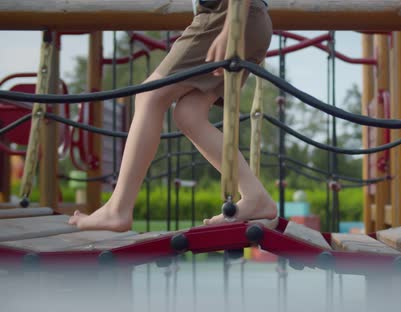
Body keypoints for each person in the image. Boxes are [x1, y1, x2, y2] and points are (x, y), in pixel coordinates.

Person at [68, 0, 277, 231]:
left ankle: (118, 209)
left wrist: (230, 29)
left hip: (228, 14)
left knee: (149, 95)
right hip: (249, 21)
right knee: (189, 115)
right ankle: (255, 195)